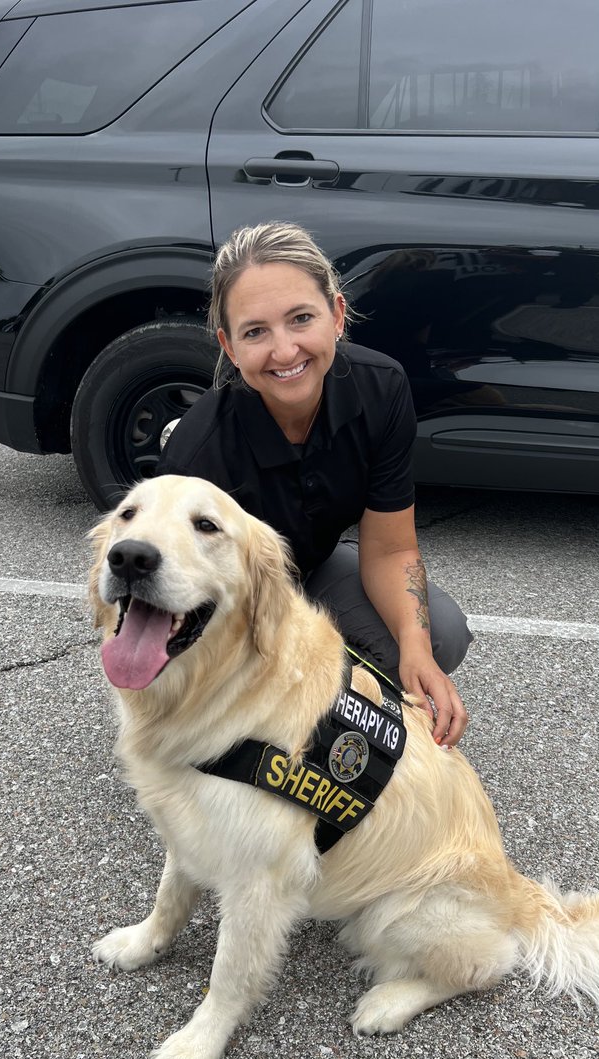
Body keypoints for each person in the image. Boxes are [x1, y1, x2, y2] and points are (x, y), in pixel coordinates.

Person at [157, 222, 472, 747]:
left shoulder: (383, 389)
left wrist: (414, 648)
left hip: (314, 567)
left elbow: (392, 548)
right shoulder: (198, 453)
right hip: (228, 605)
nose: (284, 352)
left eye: (301, 318)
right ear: (228, 347)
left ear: (338, 316)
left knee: (439, 632)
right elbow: (180, 602)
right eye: (255, 331)